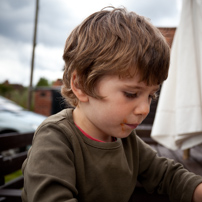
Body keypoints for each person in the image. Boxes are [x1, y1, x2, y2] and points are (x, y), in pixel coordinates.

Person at [22, 7, 202, 202]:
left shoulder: (126, 140)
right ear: (80, 85)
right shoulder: (56, 138)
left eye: (151, 96)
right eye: (131, 93)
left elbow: (167, 175)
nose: (144, 109)